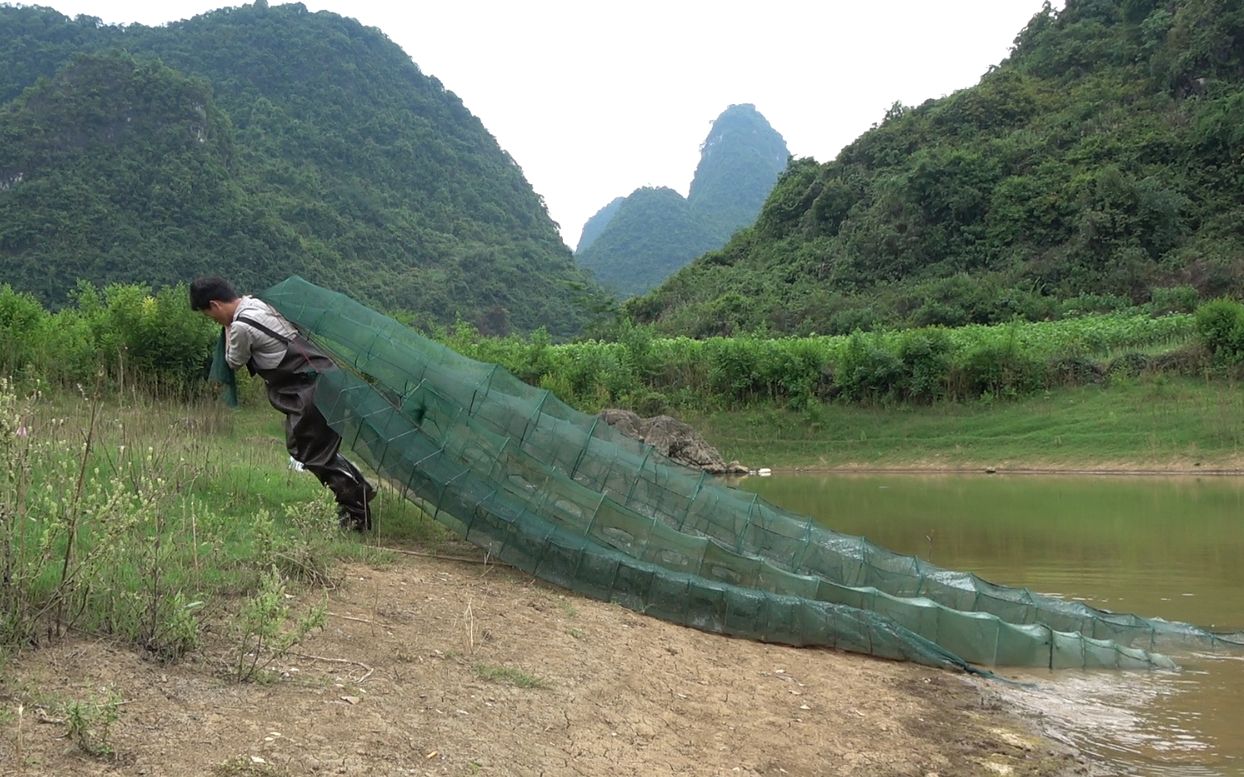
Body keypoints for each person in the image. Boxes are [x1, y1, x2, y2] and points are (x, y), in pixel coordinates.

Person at [190, 276, 376, 530]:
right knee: (309, 448)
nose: (215, 321)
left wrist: (227, 328)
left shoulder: (241, 326)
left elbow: (234, 360)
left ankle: (356, 513)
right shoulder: (259, 303)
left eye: (211, 316)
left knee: (308, 450)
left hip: (309, 389)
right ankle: (358, 491)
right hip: (323, 380)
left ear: (216, 304)